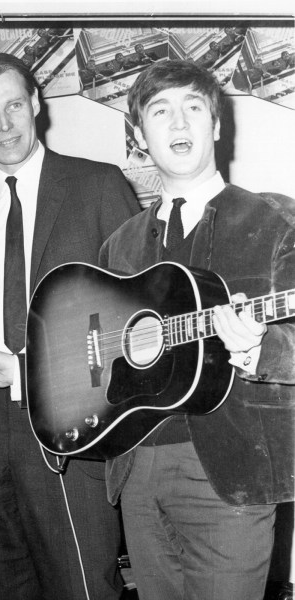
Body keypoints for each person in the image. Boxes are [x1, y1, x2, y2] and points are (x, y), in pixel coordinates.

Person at [0, 53, 140, 599]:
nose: (3, 127)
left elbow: (132, 322)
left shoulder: (98, 186)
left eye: (14, 107)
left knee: (81, 590)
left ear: (37, 104)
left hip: (69, 428)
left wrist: (25, 373)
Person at [98, 59, 295, 600]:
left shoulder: (274, 222)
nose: (179, 124)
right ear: (139, 135)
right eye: (160, 112)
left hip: (231, 472)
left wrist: (261, 350)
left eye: (193, 108)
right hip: (136, 470)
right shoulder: (120, 245)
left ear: (215, 124)